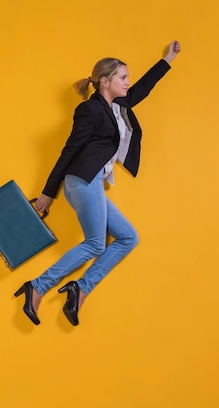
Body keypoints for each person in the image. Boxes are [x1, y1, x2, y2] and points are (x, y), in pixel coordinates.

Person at [15, 40, 181, 326]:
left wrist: (168, 59)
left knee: (128, 237)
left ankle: (80, 287)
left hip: (91, 183)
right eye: (123, 78)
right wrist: (48, 193)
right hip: (82, 180)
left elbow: (142, 88)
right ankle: (38, 286)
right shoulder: (89, 111)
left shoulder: (117, 105)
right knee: (95, 244)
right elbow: (69, 150)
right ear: (105, 81)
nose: (128, 83)